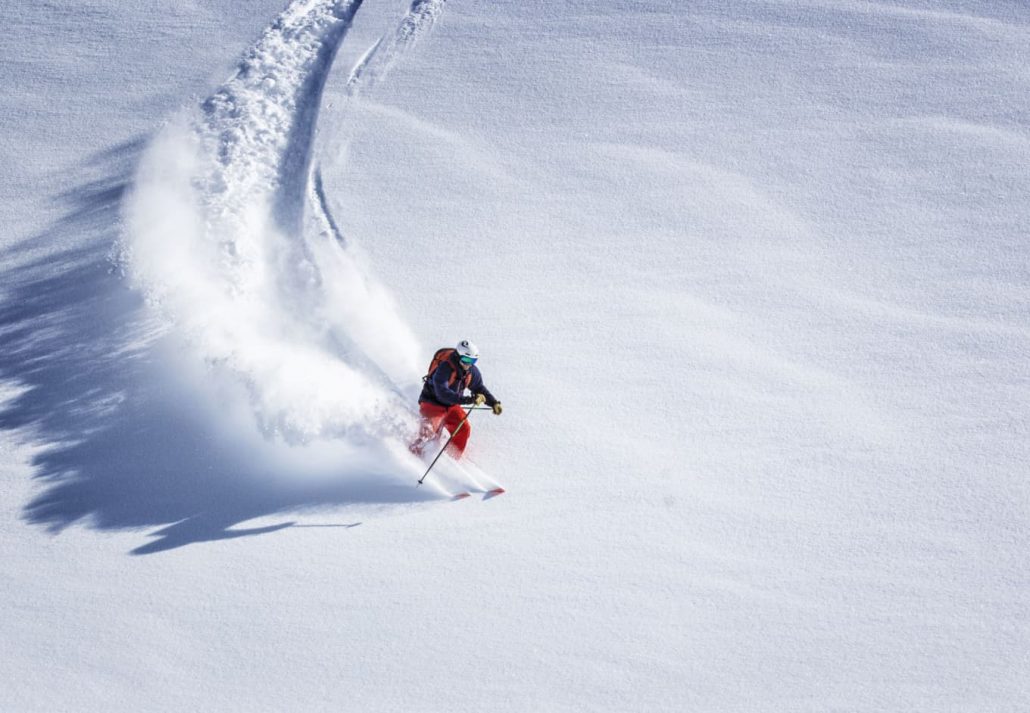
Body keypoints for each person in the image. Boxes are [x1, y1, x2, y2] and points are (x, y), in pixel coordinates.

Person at [411, 339, 502, 459]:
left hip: (452, 406)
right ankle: (414, 457)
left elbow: (478, 387)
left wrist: (493, 403)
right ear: (458, 356)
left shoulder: (471, 371)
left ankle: (452, 459)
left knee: (463, 429)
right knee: (427, 434)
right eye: (466, 360)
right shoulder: (444, 369)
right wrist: (468, 400)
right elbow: (442, 393)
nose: (468, 364)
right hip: (432, 403)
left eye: (473, 361)